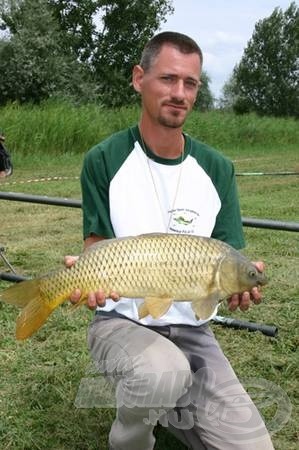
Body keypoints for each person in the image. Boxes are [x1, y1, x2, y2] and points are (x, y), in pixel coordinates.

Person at [67, 32, 274, 450]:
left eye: (190, 83)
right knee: (161, 372)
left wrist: (239, 287)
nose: (179, 93)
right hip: (122, 322)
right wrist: (86, 277)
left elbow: (229, 258)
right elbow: (97, 247)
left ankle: (173, 409)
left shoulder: (218, 169)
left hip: (193, 332)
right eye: (167, 79)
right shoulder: (104, 159)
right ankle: (132, 438)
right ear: (139, 78)